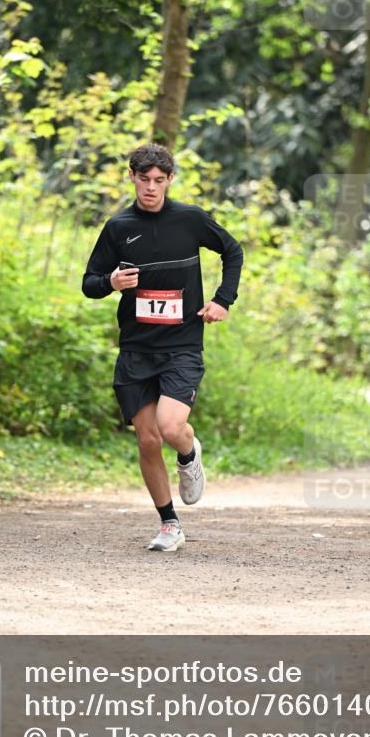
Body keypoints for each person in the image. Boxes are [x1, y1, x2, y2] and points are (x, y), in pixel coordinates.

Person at [81, 143, 243, 552]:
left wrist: (223, 300)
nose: (151, 188)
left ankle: (189, 455)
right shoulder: (118, 227)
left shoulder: (189, 219)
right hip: (136, 347)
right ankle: (169, 523)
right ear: (132, 177)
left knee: (172, 428)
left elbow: (232, 250)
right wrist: (110, 284)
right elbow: (90, 282)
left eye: (159, 181)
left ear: (169, 180)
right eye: (143, 179)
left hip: (182, 343)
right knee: (148, 439)